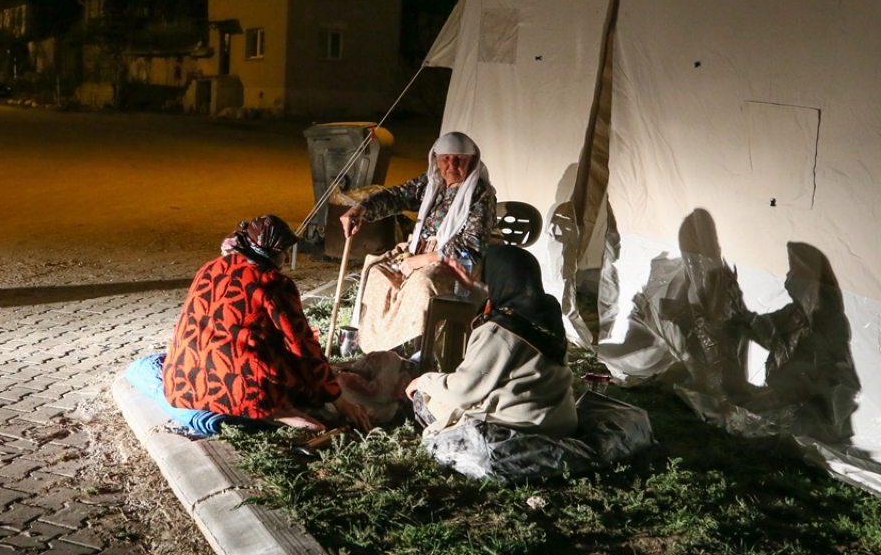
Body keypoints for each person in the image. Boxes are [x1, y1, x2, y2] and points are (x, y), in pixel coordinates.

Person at [163, 215, 371, 432]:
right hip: (241, 391)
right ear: (272, 252)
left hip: (182, 384)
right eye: (284, 251)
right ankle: (280, 413)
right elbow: (302, 346)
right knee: (294, 373)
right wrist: (339, 401)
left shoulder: (210, 267)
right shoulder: (272, 283)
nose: (287, 257)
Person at [340, 131, 497, 353]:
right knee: (378, 273)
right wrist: (360, 209)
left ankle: (421, 351)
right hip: (418, 251)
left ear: (471, 160)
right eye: (445, 158)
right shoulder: (431, 183)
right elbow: (396, 196)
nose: (452, 165)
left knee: (422, 284)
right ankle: (382, 347)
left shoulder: (480, 193)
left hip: (455, 263)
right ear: (436, 159)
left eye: (459, 159)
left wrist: (423, 260)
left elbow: (472, 245)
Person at [405, 244, 577, 438]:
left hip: (523, 428)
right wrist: (471, 286)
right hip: (560, 421)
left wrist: (423, 381)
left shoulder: (499, 330)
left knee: (426, 396)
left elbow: (463, 390)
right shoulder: (546, 317)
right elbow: (492, 300)